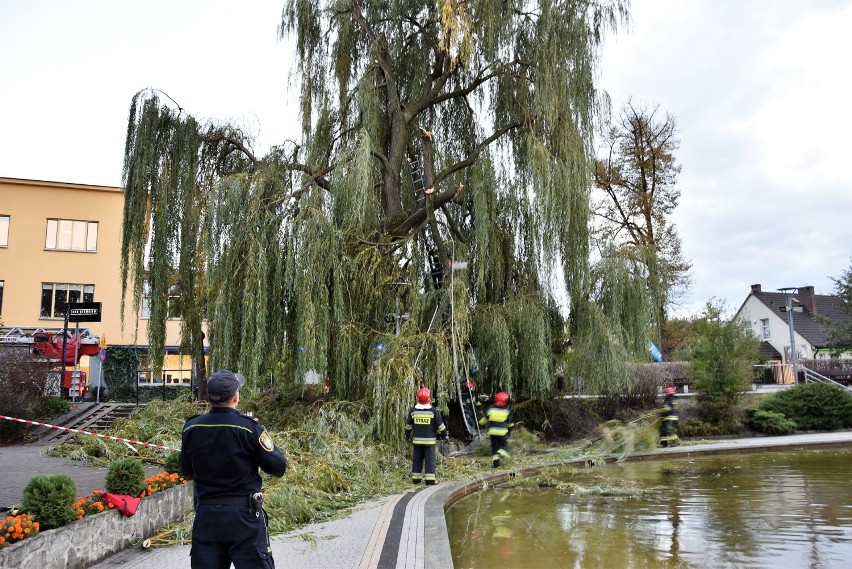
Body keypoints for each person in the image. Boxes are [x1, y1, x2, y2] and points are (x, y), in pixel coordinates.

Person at [180, 369, 288, 568]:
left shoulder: (192, 428)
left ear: (209, 398)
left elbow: (185, 470)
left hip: (207, 517)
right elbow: (278, 466)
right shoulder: (249, 428)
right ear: (235, 397)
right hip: (243, 518)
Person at [405, 387, 447, 484]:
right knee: (430, 459)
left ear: (417, 398)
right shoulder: (433, 411)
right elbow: (441, 426)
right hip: (429, 442)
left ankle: (416, 478)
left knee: (417, 459)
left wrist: (407, 437)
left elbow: (408, 426)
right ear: (430, 398)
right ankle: (430, 480)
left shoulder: (413, 411)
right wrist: (444, 435)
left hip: (417, 441)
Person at [479, 391, 513, 468]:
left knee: (495, 447)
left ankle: (496, 464)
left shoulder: (490, 408)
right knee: (504, 445)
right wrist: (510, 430)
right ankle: (501, 452)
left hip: (492, 431)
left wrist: (480, 424)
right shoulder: (507, 409)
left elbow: (485, 419)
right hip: (502, 431)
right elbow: (509, 423)